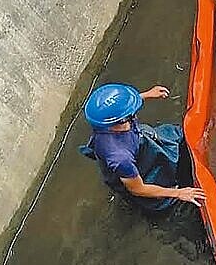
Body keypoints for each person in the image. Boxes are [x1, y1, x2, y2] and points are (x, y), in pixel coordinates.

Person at [80, 83, 204, 212]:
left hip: (141, 140)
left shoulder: (107, 122)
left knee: (178, 137)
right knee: (166, 202)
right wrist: (178, 193)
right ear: (121, 120)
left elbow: (121, 108)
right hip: (136, 173)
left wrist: (146, 95)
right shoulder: (120, 158)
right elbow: (138, 189)